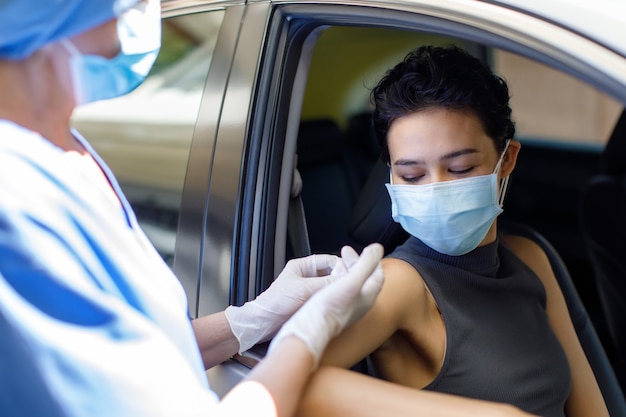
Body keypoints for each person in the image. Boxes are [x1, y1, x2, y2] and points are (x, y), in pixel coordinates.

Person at [0, 1, 387, 416]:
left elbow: (139, 358)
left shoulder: (62, 148)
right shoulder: (15, 205)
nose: (138, 9)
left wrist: (251, 320)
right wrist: (308, 335)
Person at [317, 45, 610, 417]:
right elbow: (290, 380)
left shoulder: (529, 256)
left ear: (507, 160)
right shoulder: (397, 283)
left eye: (460, 170)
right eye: (411, 175)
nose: (435, 189)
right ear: (389, 176)